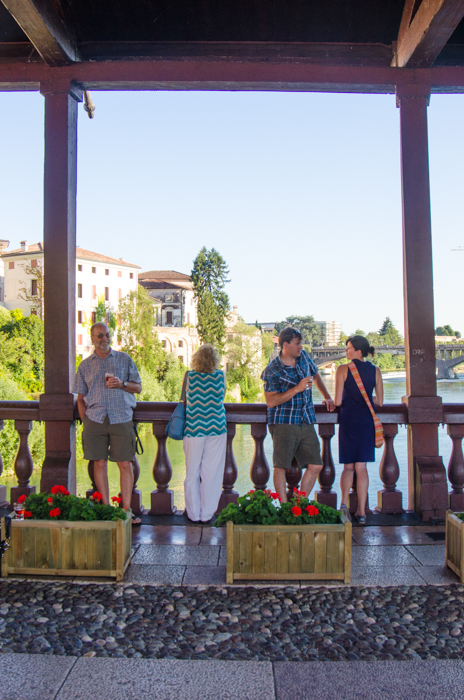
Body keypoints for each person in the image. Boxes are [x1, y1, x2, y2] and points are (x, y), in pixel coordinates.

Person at [74, 322, 142, 525]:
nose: (104, 339)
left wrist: (121, 384)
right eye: (100, 336)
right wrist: (85, 421)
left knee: (125, 464)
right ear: (92, 339)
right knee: (99, 463)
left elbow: (138, 387)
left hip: (121, 417)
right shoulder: (85, 365)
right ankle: (105, 511)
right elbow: (80, 397)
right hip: (95, 419)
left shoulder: (124, 359)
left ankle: (127, 512)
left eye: (107, 335)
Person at [261, 327, 335, 503]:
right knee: (281, 467)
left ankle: (299, 505)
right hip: (284, 423)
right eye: (297, 344)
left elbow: (315, 374)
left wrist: (327, 396)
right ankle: (285, 508)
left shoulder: (304, 358)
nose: (300, 347)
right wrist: (297, 388)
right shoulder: (273, 369)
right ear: (285, 345)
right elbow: (271, 401)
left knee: (316, 464)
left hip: (306, 419)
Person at [335, 335, 384, 524]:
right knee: (361, 468)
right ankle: (362, 512)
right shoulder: (376, 371)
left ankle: (343, 504)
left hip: (348, 421)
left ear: (358, 351)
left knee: (348, 467)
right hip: (366, 422)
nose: (346, 351)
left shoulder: (343, 370)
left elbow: (338, 401)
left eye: (348, 348)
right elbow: (379, 401)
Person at [182, 344, 227, 523]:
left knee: (192, 473)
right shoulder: (221, 376)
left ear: (196, 359)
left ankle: (193, 514)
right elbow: (221, 398)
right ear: (215, 359)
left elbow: (184, 399)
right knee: (212, 472)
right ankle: (207, 514)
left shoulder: (189, 376)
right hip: (216, 427)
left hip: (194, 428)